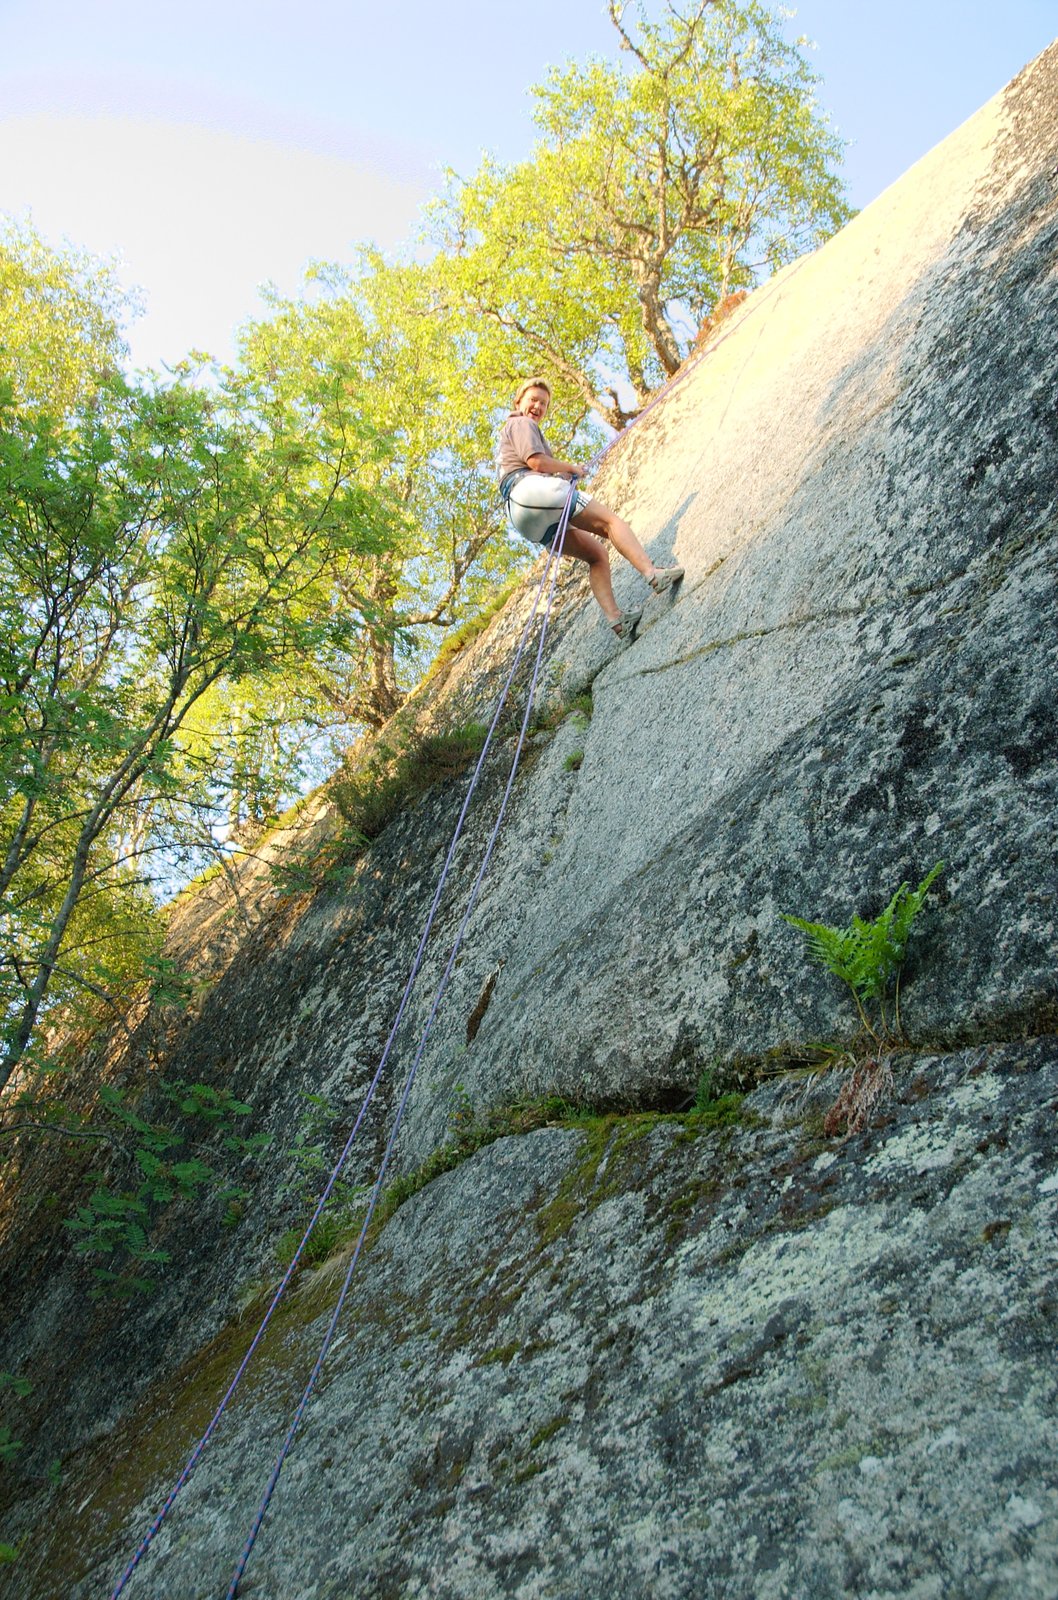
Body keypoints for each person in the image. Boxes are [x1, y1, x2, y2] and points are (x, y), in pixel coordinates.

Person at [495, 378, 683, 639]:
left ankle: (617, 620)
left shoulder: (506, 439)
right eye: (533, 400)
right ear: (518, 402)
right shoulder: (521, 423)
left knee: (596, 555)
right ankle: (652, 573)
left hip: (521, 514)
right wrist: (570, 467)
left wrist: (562, 476)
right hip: (531, 491)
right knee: (610, 523)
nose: (538, 406)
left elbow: (533, 467)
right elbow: (536, 461)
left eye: (543, 403)